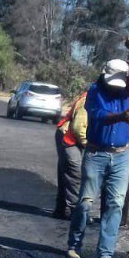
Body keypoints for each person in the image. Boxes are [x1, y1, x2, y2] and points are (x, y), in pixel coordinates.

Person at [67, 35, 129, 258]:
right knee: (85, 202)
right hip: (96, 154)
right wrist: (122, 116)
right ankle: (74, 244)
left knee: (114, 204)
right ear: (104, 75)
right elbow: (99, 116)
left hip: (122, 156)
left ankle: (105, 254)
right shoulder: (94, 91)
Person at [53, 91, 88, 220]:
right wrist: (90, 146)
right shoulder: (88, 101)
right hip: (68, 136)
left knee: (65, 171)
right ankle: (75, 211)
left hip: (74, 136)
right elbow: (79, 129)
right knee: (74, 171)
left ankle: (61, 209)